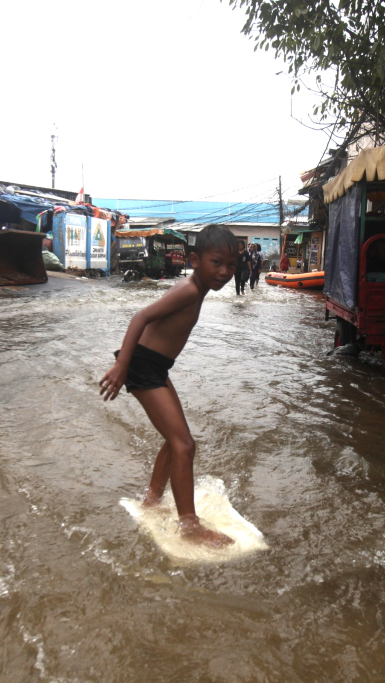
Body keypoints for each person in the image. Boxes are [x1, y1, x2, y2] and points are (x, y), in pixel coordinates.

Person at [99, 225, 238, 547]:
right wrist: (122, 365)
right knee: (184, 445)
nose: (224, 272)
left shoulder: (197, 289)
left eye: (231, 265)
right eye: (216, 262)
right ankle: (189, 526)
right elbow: (141, 317)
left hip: (155, 366)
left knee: (176, 440)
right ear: (194, 260)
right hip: (143, 365)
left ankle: (152, 497)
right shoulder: (190, 290)